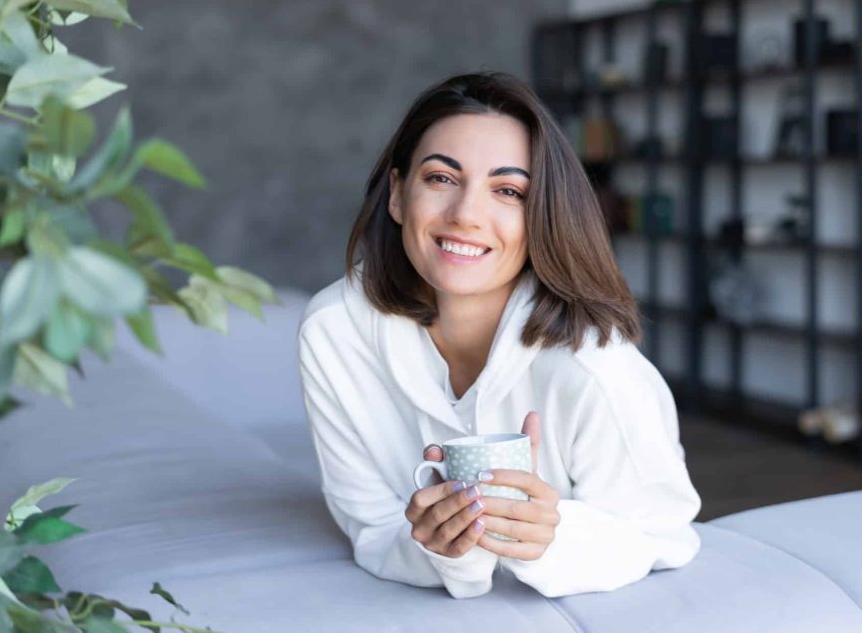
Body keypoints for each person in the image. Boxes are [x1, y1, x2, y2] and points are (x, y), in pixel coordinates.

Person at [297, 71, 702, 599]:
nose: (466, 215)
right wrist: (441, 548)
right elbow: (371, 527)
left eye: (508, 191)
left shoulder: (593, 366)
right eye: (441, 178)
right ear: (398, 194)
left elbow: (664, 535)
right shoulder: (335, 333)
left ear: (542, 217)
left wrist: (550, 539)